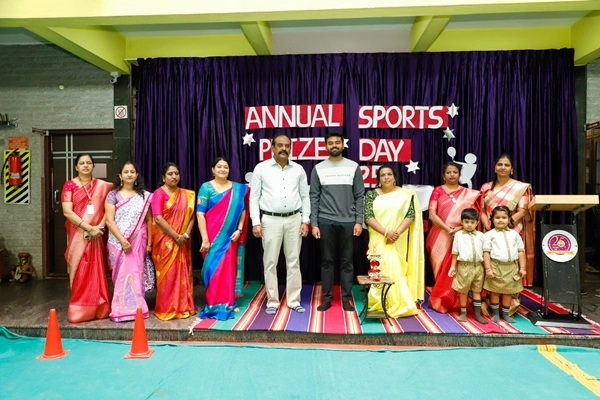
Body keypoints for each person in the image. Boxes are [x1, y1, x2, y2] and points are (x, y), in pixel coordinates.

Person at [250, 134, 310, 315]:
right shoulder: (261, 168)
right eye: (280, 145)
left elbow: (305, 196)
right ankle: (273, 301)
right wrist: (256, 222)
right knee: (270, 262)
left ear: (290, 148)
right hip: (270, 220)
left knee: (294, 261)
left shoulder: (298, 169)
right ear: (272, 148)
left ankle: (294, 300)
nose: (284, 148)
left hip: (294, 219)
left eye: (287, 146)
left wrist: (305, 220)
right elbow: (254, 197)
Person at [310, 132, 364, 312]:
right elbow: (314, 197)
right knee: (327, 261)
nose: (334, 145)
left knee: (347, 262)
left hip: (349, 222)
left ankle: (346, 299)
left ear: (342, 145)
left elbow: (359, 196)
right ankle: (327, 299)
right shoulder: (318, 168)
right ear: (326, 146)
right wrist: (314, 223)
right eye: (330, 143)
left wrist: (359, 221)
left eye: (337, 142)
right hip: (325, 221)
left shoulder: (353, 167)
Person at [364, 164, 424, 317]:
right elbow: (368, 216)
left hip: (398, 239)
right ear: (378, 179)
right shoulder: (372, 195)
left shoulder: (406, 195)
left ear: (395, 177)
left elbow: (410, 215)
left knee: (398, 269)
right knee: (380, 268)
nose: (386, 177)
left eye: (389, 174)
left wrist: (395, 233)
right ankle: (379, 301)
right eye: (382, 175)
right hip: (379, 238)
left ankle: (401, 302)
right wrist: (386, 233)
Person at [61, 154, 113, 323]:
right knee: (79, 268)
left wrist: (100, 228)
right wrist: (89, 227)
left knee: (95, 268)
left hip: (97, 235)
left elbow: (108, 209)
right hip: (78, 235)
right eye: (82, 163)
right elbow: (67, 212)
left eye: (88, 163)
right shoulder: (69, 185)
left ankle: (99, 307)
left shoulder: (102, 186)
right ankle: (79, 309)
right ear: (76, 167)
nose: (85, 165)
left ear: (93, 166)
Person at [197, 157, 249, 320]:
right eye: (219, 167)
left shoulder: (237, 189)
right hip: (212, 238)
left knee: (227, 270)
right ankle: (213, 304)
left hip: (229, 237)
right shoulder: (206, 187)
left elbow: (242, 210)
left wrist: (239, 229)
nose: (222, 169)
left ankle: (227, 303)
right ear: (213, 169)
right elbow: (200, 214)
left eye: (225, 167)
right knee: (213, 269)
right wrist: (205, 239)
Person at [427, 162, 481, 313]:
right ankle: (440, 299)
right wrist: (447, 229)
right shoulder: (437, 191)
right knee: (440, 269)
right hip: (439, 235)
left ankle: (458, 302)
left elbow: (473, 217)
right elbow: (432, 214)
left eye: (455, 172)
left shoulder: (468, 194)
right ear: (443, 175)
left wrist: (459, 229)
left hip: (462, 235)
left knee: (458, 269)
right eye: (448, 172)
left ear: (459, 175)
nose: (452, 175)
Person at [104, 161, 153, 322]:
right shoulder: (113, 195)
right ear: (120, 176)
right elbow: (109, 220)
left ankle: (138, 308)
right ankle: (120, 309)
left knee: (136, 272)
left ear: (137, 175)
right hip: (117, 241)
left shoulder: (144, 196)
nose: (129, 174)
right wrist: (123, 240)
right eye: (126, 172)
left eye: (132, 172)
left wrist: (150, 242)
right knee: (121, 274)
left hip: (138, 239)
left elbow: (149, 220)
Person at [150, 162, 196, 320]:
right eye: (170, 174)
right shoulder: (158, 193)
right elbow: (157, 217)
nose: (174, 176)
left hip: (183, 241)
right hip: (165, 242)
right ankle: (166, 308)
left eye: (176, 173)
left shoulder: (186, 194)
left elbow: (192, 216)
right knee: (168, 275)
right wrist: (176, 236)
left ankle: (183, 306)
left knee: (181, 273)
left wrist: (185, 235)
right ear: (163, 177)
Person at [480, 153, 534, 286]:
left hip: (513, 229)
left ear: (512, 169)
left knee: (511, 257)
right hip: (489, 229)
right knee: (489, 257)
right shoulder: (486, 187)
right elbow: (481, 210)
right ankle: (489, 291)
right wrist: (487, 224)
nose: (503, 167)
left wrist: (505, 224)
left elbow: (523, 210)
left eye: (506, 165)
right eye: (500, 164)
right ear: (495, 168)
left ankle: (511, 293)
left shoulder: (521, 187)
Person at [483, 205, 526, 323]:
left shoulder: (515, 234)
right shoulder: (489, 235)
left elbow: (520, 251)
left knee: (508, 292)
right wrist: (488, 269)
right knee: (495, 291)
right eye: (497, 218)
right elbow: (486, 253)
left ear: (509, 219)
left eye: (504, 217)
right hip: (495, 267)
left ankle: (506, 314)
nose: (500, 220)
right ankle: (495, 313)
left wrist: (522, 268)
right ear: (492, 219)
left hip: (512, 267)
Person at [448, 208, 487, 324]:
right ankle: (463, 313)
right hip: (464, 267)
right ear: (462, 222)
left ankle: (477, 314)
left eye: (472, 222)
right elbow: (455, 252)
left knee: (477, 291)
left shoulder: (481, 235)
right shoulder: (458, 235)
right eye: (466, 222)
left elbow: (485, 252)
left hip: (478, 267)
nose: (469, 225)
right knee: (463, 291)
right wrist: (452, 267)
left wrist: (487, 267)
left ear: (477, 223)